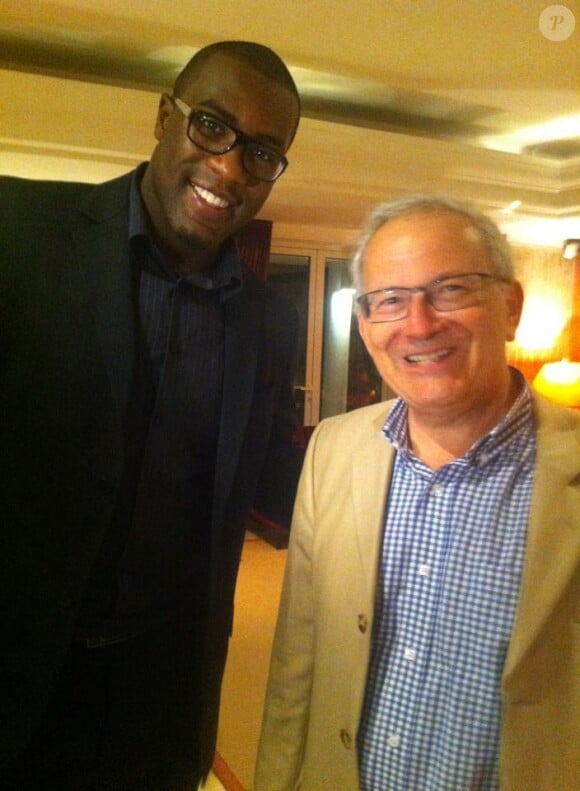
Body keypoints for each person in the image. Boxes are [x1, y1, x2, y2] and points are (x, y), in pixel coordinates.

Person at [0, 40, 302, 790]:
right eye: (212, 126)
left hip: (157, 700)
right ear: (165, 116)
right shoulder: (18, 233)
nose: (231, 167)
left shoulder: (269, 320)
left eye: (262, 153)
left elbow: (269, 471)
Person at [254, 195, 580, 791]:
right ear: (365, 326)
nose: (420, 324)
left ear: (510, 309)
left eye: (451, 289)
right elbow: (298, 657)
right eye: (391, 301)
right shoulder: (333, 449)